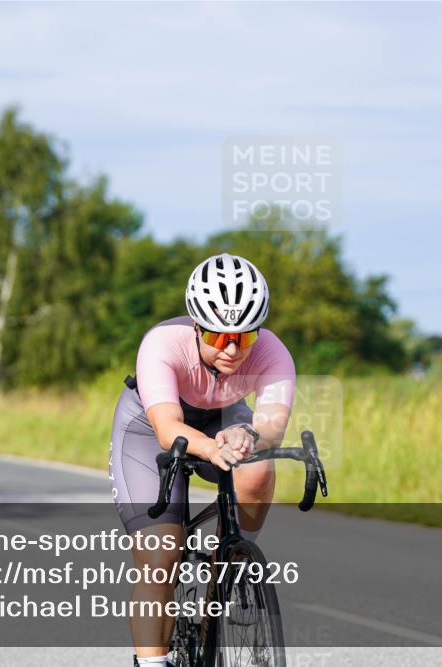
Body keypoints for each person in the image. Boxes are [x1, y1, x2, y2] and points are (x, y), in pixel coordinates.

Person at [109, 253, 296, 667]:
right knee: (160, 559)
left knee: (258, 465)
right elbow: (167, 427)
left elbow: (272, 426)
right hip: (148, 430)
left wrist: (248, 436)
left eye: (243, 338)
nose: (231, 348)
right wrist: (212, 448)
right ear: (196, 326)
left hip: (225, 417)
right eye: (218, 336)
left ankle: (233, 565)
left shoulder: (273, 352)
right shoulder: (162, 343)